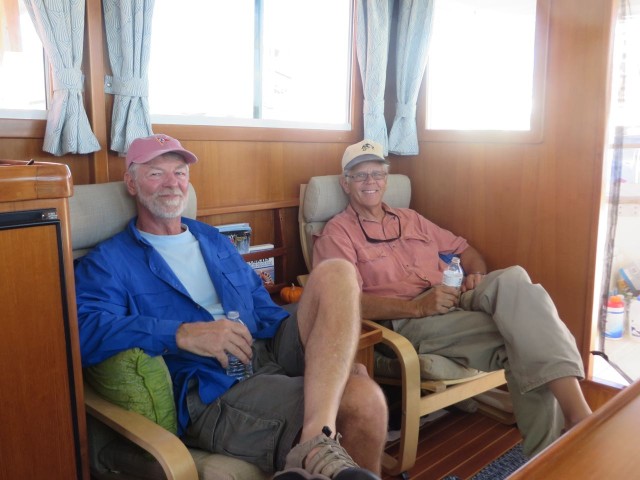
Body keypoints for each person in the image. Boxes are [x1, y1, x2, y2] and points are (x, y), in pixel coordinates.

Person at [74, 134, 388, 480]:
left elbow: (260, 305)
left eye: (179, 173)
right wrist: (181, 333)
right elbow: (85, 331)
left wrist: (322, 351)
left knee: (337, 271)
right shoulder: (108, 261)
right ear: (131, 183)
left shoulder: (211, 239)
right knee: (362, 399)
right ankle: (320, 444)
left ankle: (315, 436)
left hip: (263, 347)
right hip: (213, 382)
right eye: (155, 174)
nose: (171, 184)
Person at [313, 139, 593, 458]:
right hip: (409, 319)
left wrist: (475, 273)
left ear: (386, 180)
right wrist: (417, 307)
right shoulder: (337, 234)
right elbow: (346, 304)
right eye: (360, 175)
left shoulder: (410, 219)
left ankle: (574, 418)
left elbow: (464, 250)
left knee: (514, 277)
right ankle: (554, 451)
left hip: (455, 297)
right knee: (523, 340)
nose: (370, 182)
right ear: (344, 183)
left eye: (377, 174)